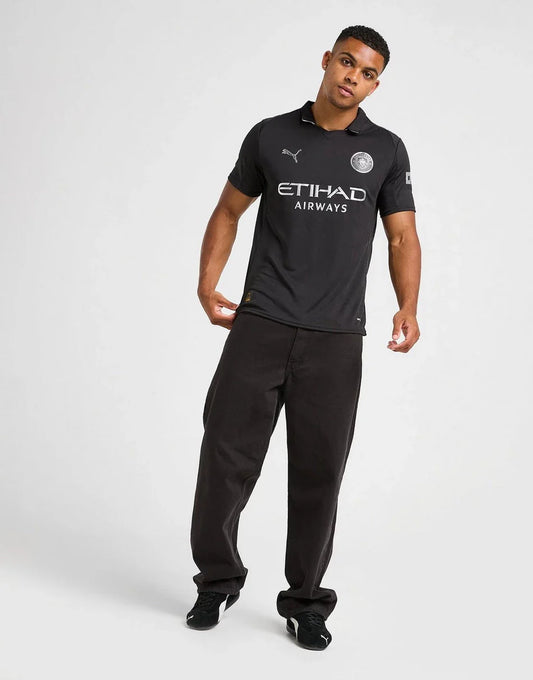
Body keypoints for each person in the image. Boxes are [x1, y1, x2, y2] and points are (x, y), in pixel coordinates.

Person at [186, 24, 421, 650]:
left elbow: (402, 234)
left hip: (336, 337)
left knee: (320, 473)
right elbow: (228, 210)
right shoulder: (271, 135)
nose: (353, 77)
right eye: (347, 62)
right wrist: (207, 284)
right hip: (260, 324)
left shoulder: (386, 150)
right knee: (224, 460)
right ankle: (216, 581)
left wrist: (408, 305)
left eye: (368, 73)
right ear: (326, 60)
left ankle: (306, 602)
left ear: (375, 85)